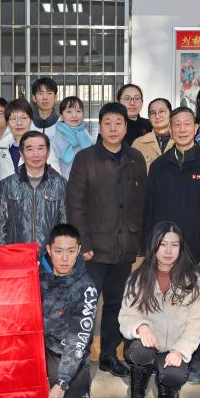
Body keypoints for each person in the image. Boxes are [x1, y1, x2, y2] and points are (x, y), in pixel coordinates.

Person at [141, 106, 200, 383]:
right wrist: (149, 247)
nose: (181, 129)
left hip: (198, 251)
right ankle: (161, 358)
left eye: (187, 124)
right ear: (170, 128)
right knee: (162, 304)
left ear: (196, 128)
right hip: (164, 251)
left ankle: (192, 363)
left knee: (195, 309)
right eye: (176, 124)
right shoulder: (159, 166)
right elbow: (149, 210)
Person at [66, 102, 147, 377]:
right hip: (94, 249)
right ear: (99, 128)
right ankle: (79, 356)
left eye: (118, 123)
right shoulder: (85, 158)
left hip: (125, 246)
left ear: (125, 127)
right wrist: (83, 244)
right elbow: (75, 204)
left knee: (116, 304)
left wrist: (139, 243)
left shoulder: (136, 158)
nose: (113, 128)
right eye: (107, 123)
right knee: (86, 305)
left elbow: (141, 202)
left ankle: (109, 355)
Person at [118, 222, 200, 398]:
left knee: (175, 376)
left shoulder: (193, 280)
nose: (168, 251)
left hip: (174, 348)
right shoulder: (138, 278)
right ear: (153, 246)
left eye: (174, 245)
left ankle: (164, 384)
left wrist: (180, 350)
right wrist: (141, 327)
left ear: (181, 248)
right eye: (162, 244)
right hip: (147, 344)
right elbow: (126, 316)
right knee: (141, 352)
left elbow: (197, 323)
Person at [11, 224, 98, 398]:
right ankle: (28, 392)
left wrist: (62, 382)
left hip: (64, 351)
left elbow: (78, 341)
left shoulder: (86, 288)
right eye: (58, 251)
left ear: (79, 250)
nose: (64, 258)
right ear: (49, 250)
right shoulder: (34, 273)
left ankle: (78, 380)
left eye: (71, 251)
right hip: (35, 346)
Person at [0, 131, 67, 247]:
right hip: (17, 253)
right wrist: (3, 253)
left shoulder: (61, 184)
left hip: (50, 254)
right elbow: (1, 226)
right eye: (30, 149)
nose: (36, 154)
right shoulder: (7, 185)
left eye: (40, 148)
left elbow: (65, 224)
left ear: (48, 152)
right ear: (21, 154)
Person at [0, 98, 60, 179]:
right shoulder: (1, 147)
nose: (19, 123)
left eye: (23, 118)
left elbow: (56, 178)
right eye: (13, 118)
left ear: (31, 120)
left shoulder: (42, 145)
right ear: (7, 122)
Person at [52, 95, 93, 178]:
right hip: (65, 183)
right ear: (61, 116)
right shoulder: (54, 140)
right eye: (69, 111)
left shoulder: (86, 135)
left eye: (78, 111)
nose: (74, 115)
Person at [132, 98, 174, 171]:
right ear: (149, 117)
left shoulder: (181, 140)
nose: (157, 116)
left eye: (162, 111)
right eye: (153, 113)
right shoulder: (138, 143)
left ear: (171, 114)